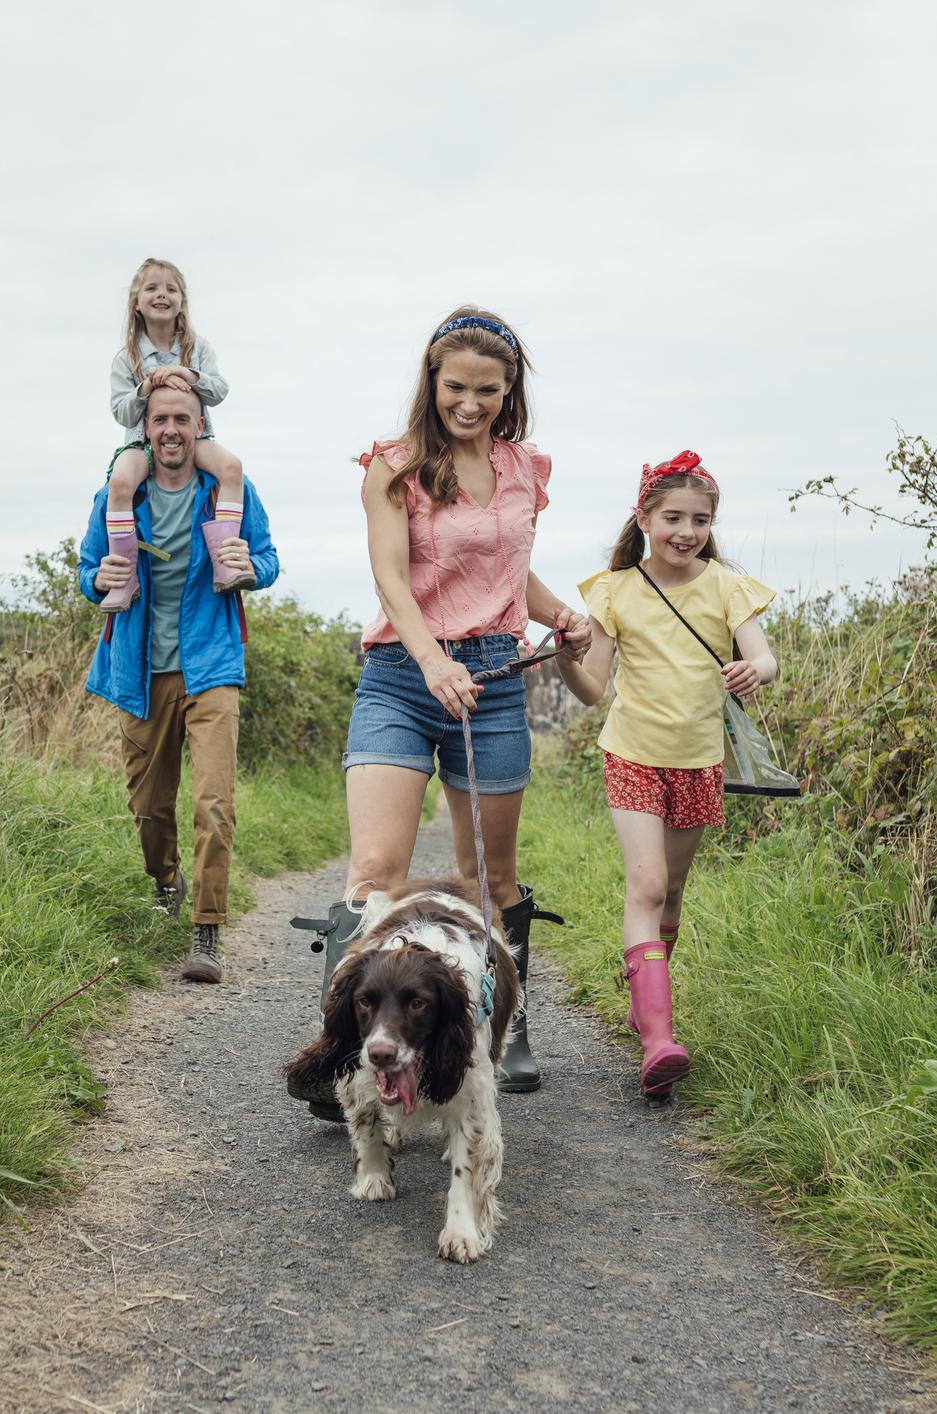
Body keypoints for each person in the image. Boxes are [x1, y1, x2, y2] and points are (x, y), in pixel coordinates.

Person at [287, 306, 593, 1118]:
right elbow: (393, 576)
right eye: (456, 386)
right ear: (432, 382)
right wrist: (430, 660)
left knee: (486, 877)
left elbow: (507, 570)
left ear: (508, 389)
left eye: (487, 390)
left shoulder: (527, 468)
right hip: (400, 672)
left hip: (492, 675)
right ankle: (344, 1056)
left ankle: (502, 1023)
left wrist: (562, 614)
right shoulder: (394, 465)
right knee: (375, 871)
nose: (470, 402)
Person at [554, 451, 780, 1097]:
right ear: (645, 516)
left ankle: (643, 1004)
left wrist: (753, 670)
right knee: (647, 887)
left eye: (700, 520)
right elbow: (593, 689)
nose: (687, 531)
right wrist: (566, 660)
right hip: (631, 753)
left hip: (700, 760)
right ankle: (658, 1038)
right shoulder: (614, 590)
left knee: (673, 892)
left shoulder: (727, 586)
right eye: (674, 517)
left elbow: (765, 658)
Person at [78, 370, 280, 984]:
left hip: (212, 664)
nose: (171, 429)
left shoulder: (226, 492)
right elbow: (88, 570)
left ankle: (207, 929)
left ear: (200, 427)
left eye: (182, 419)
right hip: (138, 670)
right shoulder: (121, 498)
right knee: (148, 808)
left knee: (214, 802)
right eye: (160, 419)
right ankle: (166, 881)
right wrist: (98, 582)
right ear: (145, 429)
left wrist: (251, 570)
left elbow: (268, 559)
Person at [99, 258, 251, 612]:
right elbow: (120, 410)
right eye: (151, 288)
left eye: (171, 289)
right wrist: (145, 386)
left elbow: (219, 390)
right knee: (119, 484)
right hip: (141, 442)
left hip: (194, 441)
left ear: (182, 301)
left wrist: (188, 374)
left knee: (232, 468)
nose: (162, 295)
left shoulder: (198, 349)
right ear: (136, 302)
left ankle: (225, 559)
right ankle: (124, 578)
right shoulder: (127, 359)